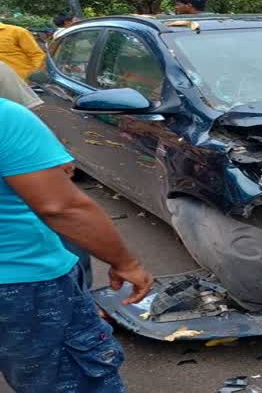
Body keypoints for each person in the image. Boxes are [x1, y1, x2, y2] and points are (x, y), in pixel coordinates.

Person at [0, 99, 153, 392]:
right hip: (22, 283)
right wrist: (126, 263)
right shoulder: (5, 117)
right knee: (69, 380)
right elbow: (62, 208)